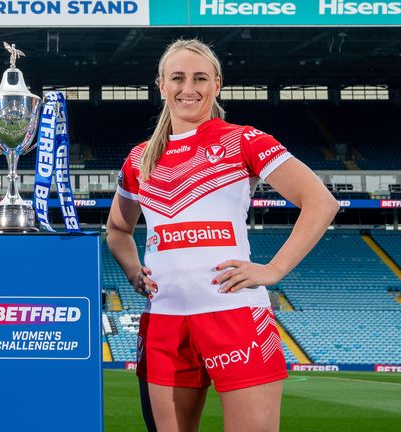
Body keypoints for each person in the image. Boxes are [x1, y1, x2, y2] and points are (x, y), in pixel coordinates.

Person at [106, 38, 339, 432]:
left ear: (217, 84)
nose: (188, 88)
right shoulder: (138, 158)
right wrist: (133, 272)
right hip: (164, 319)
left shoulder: (244, 140)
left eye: (200, 78)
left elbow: (321, 202)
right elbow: (117, 229)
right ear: (161, 85)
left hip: (235, 315)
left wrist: (274, 269)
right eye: (177, 78)